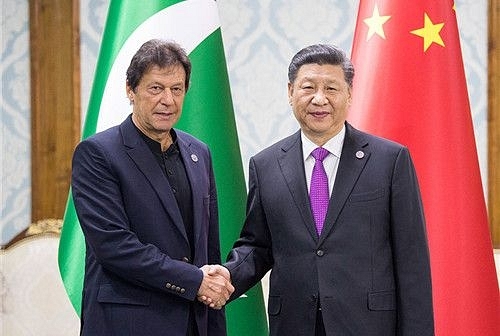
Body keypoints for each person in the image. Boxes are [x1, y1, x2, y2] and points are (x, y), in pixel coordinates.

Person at [207, 44, 434, 335]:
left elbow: (411, 259)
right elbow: (257, 245)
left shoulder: (389, 160)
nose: (319, 99)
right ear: (290, 92)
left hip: (368, 325)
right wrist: (228, 275)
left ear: (349, 94)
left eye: (331, 88)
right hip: (294, 324)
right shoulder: (265, 165)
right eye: (308, 87)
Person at [71, 39, 234, 336]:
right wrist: (194, 281)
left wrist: (211, 299)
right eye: (156, 88)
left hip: (194, 322)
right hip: (128, 324)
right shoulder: (97, 154)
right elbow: (114, 246)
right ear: (130, 90)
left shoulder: (199, 152)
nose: (168, 100)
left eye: (177, 89)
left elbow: (208, 247)